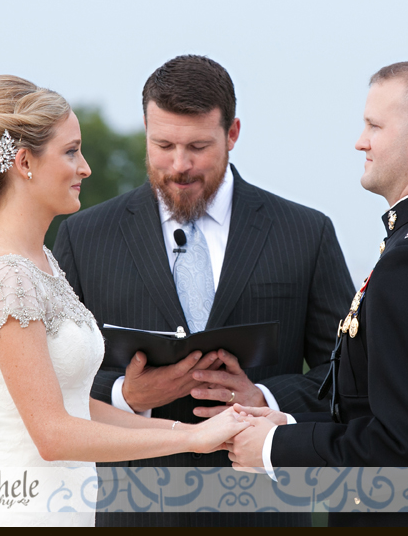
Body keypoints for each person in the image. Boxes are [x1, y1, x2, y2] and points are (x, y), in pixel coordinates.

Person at [53, 55, 355, 526]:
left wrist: (263, 399)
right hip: (135, 513)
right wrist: (126, 394)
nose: (179, 165)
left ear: (233, 133)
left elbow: (345, 375)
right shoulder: (84, 236)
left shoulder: (306, 232)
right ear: (146, 132)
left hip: (264, 512)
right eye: (163, 144)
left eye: (198, 146)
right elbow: (55, 378)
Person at [0, 75, 250, 527]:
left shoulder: (41, 261)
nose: (85, 167)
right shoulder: (4, 275)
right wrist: (190, 441)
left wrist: (199, 433)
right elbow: (53, 435)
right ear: (24, 162)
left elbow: (76, 406)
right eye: (71, 151)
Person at [229, 62, 408, 527]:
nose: (360, 141)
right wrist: (289, 423)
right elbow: (398, 412)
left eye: (374, 126)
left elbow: (403, 448)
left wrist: (271, 447)